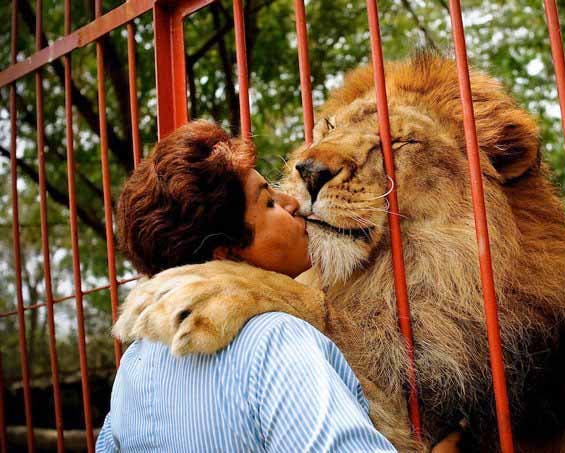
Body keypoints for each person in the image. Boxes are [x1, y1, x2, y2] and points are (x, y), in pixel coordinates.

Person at [96, 120, 396, 452]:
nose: (292, 202)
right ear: (226, 253)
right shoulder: (277, 338)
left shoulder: (136, 362)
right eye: (268, 203)